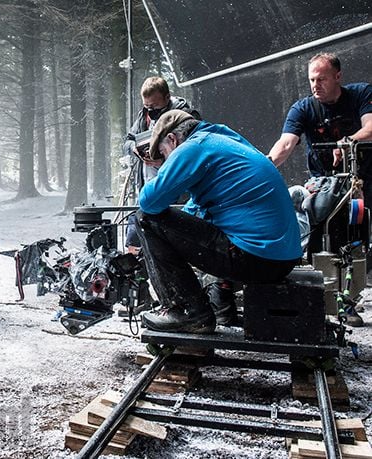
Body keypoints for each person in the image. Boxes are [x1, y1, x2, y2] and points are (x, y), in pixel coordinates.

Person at [135, 110, 302, 333]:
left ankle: (188, 313)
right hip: (281, 258)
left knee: (146, 219)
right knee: (179, 224)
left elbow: (149, 202)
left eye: (164, 153)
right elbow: (195, 210)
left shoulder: (193, 147)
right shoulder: (222, 139)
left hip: (256, 258)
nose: (166, 160)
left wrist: (164, 170)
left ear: (173, 139)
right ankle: (214, 307)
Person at [267, 52, 371, 326]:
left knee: (356, 243)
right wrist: (264, 166)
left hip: (361, 182)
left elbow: (371, 127)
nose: (315, 85)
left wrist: (347, 142)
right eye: (312, 80)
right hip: (323, 185)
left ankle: (348, 300)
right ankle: (322, 301)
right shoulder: (303, 108)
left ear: (338, 76)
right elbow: (286, 144)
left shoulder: (361, 94)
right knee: (319, 241)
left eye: (322, 79)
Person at [123, 76, 199, 252]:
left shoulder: (186, 118)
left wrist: (164, 160)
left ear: (167, 97)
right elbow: (127, 141)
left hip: (176, 191)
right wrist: (135, 148)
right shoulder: (143, 117)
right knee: (135, 237)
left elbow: (192, 155)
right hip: (148, 185)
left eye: (155, 107)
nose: (151, 111)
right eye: (147, 107)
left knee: (172, 241)